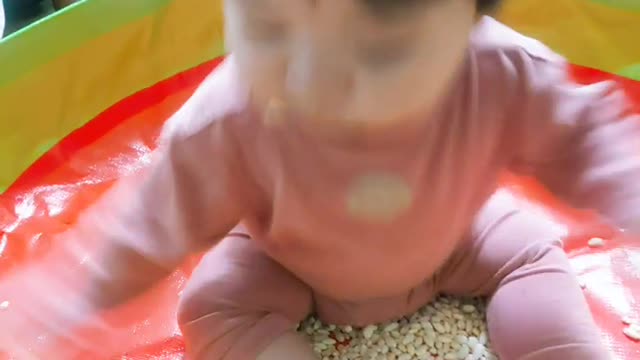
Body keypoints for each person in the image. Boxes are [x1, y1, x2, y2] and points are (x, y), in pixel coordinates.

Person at [1, 0, 638, 359]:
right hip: (289, 261)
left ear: (471, 17)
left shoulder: (503, 72)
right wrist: (64, 297)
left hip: (459, 239)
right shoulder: (226, 123)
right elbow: (147, 230)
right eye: (270, 30)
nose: (312, 82)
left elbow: (586, 143)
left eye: (381, 51)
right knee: (213, 306)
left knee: (531, 251)